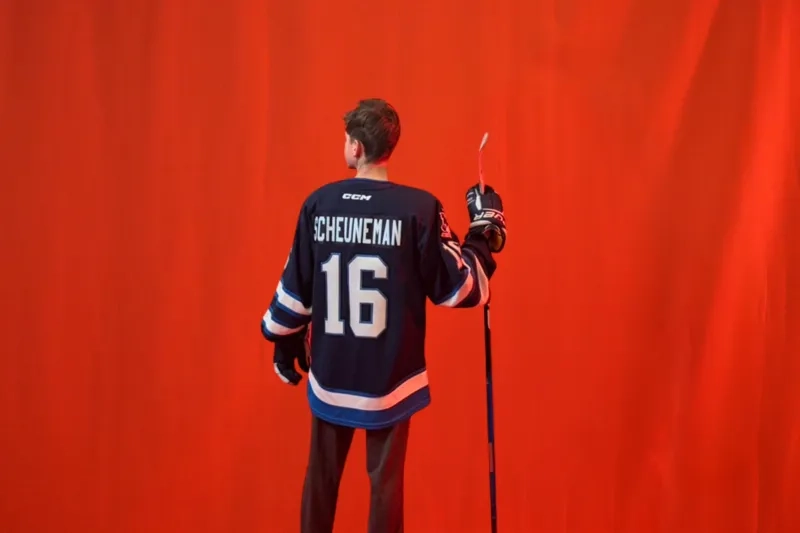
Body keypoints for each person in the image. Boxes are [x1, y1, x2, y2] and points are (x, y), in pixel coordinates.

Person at [260, 98, 507, 533]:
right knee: (386, 484)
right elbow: (459, 287)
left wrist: (284, 337)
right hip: (390, 376)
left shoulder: (319, 203)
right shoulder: (419, 210)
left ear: (356, 147)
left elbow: (297, 285)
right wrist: (482, 234)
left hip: (331, 373)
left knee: (321, 478)